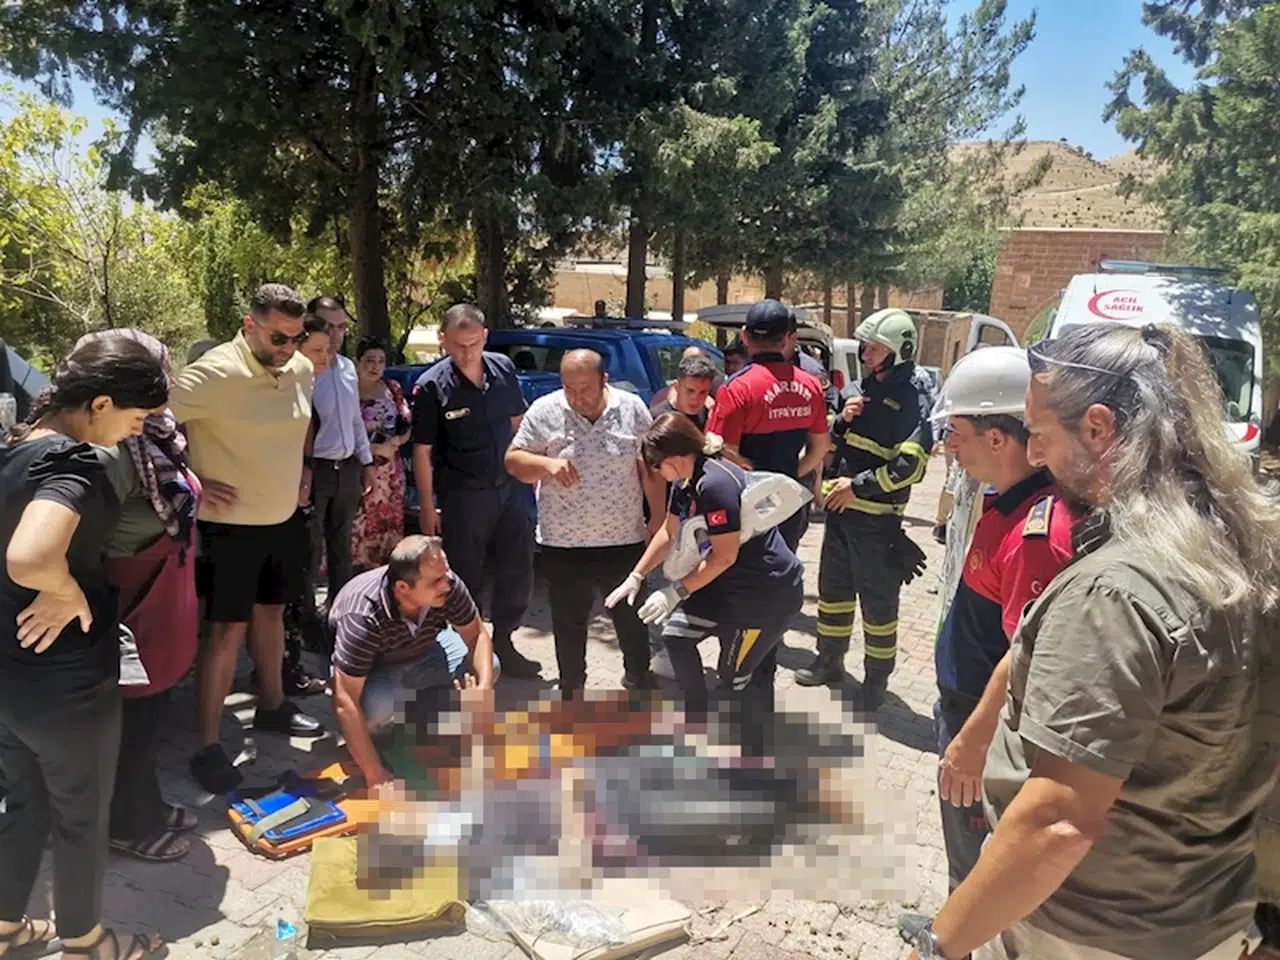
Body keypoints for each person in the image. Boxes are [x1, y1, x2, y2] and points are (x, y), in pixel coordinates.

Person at [904, 323, 1280, 960]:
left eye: (1041, 434)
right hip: (1203, 911)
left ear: (1099, 428)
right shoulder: (1237, 543)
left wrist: (941, 946)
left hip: (1087, 927)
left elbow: (1057, 823)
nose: (1036, 455)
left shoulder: (1116, 591)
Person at [894, 347, 1076, 941]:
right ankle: (953, 923)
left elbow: (1027, 659)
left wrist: (974, 740)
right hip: (966, 708)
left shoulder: (1036, 534)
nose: (948, 445)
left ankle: (959, 942)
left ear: (998, 438)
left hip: (984, 724)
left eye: (956, 432)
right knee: (962, 846)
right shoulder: (1006, 499)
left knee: (977, 851)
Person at [0, 336, 169, 960]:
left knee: (23, 806)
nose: (137, 430)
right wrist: (65, 587)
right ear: (100, 404)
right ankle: (87, 943)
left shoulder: (12, 450)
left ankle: (6, 930)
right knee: (81, 816)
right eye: (137, 417)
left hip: (9, 677)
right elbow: (28, 555)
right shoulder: (72, 463)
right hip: (66, 685)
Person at [171, 283, 323, 795]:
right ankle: (208, 745)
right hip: (229, 527)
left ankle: (273, 706)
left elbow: (301, 423)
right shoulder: (212, 373)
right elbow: (144, 425)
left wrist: (304, 466)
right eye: (279, 338)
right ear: (249, 325)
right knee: (226, 632)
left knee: (272, 613)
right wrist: (189, 480)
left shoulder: (299, 367)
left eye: (296, 338)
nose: (289, 349)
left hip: (283, 518)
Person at [68, 331, 203, 865]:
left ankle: (146, 801)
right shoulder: (108, 448)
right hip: (131, 591)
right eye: (157, 372)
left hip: (164, 581)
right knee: (133, 713)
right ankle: (126, 823)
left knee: (153, 707)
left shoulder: (154, 432)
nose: (166, 383)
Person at [605, 413, 804, 755]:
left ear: (677, 455)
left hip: (764, 596)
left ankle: (751, 758)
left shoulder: (715, 485)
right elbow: (668, 532)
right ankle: (696, 720)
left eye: (656, 463)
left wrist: (675, 591)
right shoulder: (685, 480)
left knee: (734, 680)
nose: (655, 471)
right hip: (725, 586)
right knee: (676, 636)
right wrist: (635, 576)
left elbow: (723, 557)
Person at [505, 349, 665, 698]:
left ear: (604, 380)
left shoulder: (632, 408)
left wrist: (657, 519)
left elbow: (650, 468)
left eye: (586, 389)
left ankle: (638, 677)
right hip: (564, 543)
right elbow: (513, 461)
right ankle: (572, 688)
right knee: (568, 622)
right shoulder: (545, 410)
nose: (578, 397)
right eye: (570, 389)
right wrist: (546, 466)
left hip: (624, 538)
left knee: (631, 617)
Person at [795, 308, 931, 710]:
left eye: (874, 348)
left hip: (877, 523)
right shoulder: (856, 389)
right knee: (833, 593)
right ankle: (829, 661)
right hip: (840, 515)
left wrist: (856, 487)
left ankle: (876, 679)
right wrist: (840, 421)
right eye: (865, 346)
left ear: (899, 351)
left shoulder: (913, 400)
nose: (865, 353)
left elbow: (911, 467)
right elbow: (830, 443)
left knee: (879, 605)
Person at [411, 303, 541, 679]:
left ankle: (505, 642)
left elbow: (519, 425)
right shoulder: (432, 386)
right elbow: (422, 451)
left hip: (510, 488)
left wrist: (531, 472)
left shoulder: (502, 369)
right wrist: (427, 505)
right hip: (465, 495)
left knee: (517, 568)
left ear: (484, 337)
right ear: (443, 340)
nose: (467, 352)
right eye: (458, 345)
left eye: (474, 343)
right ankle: (466, 648)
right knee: (466, 575)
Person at [329, 536, 496, 790]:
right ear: (403, 588)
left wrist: (483, 690)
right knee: (375, 710)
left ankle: (423, 714)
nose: (447, 584)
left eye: (446, 574)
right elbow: (345, 699)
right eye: (435, 582)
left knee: (489, 667)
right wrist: (375, 774)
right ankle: (371, 736)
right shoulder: (362, 615)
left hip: (424, 651)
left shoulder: (447, 583)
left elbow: (476, 634)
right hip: (371, 670)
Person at [703, 299, 831, 552]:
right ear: (786, 339)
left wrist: (758, 476)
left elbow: (721, 451)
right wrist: (789, 475)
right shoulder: (811, 385)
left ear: (745, 336)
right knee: (784, 565)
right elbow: (821, 447)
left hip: (748, 507)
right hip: (789, 502)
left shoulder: (738, 388)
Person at [306, 295, 375, 615]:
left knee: (342, 547)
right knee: (309, 547)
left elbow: (354, 419)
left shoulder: (347, 368)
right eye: (327, 326)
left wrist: (366, 462)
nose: (335, 334)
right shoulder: (302, 370)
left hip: (347, 468)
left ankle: (340, 612)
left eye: (342, 327)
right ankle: (305, 618)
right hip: (314, 469)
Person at [351, 336, 412, 570]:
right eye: (369, 360)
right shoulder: (348, 390)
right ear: (357, 361)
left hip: (390, 473)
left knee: (389, 531)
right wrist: (374, 449)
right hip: (359, 470)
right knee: (357, 531)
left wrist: (397, 441)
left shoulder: (392, 388)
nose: (375, 366)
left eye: (380, 361)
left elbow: (407, 424)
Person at [650, 353, 716, 429]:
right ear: (677, 387)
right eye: (690, 390)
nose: (695, 398)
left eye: (702, 392)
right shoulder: (657, 418)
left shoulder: (707, 415)